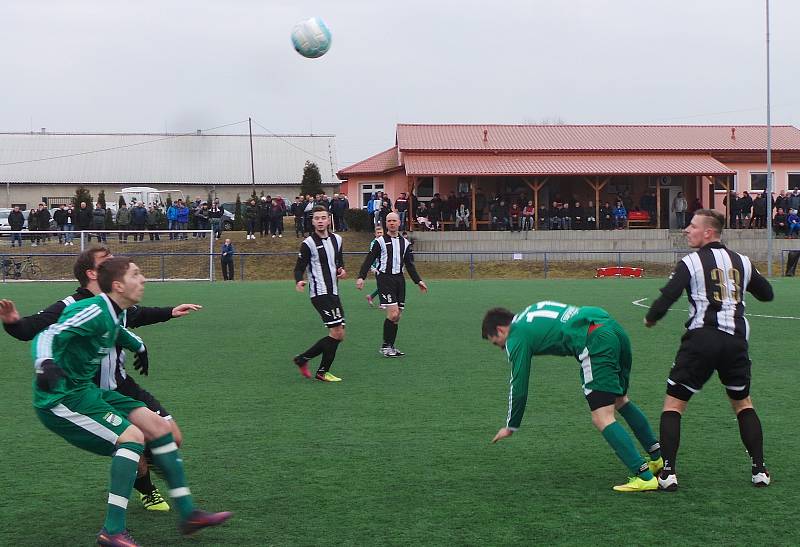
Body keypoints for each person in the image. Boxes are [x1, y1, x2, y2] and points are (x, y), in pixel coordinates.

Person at [24, 256, 231, 545]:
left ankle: (189, 514)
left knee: (159, 428)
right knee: (131, 438)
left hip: (87, 391)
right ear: (118, 285)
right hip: (60, 397)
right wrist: (44, 363)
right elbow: (48, 333)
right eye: (136, 274)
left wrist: (138, 344)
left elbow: (115, 330)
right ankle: (112, 531)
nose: (143, 279)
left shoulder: (115, 310)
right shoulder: (92, 309)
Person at [1, 245, 203, 512]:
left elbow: (134, 319)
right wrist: (14, 323)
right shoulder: (72, 306)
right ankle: (147, 489)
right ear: (93, 273)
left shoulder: (117, 303)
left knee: (170, 436)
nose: (114, 263)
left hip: (120, 384)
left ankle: (161, 479)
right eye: (106, 262)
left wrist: (163, 319)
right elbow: (39, 330)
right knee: (132, 445)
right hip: (86, 391)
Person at [644, 209, 774, 491]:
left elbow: (669, 295)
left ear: (708, 233)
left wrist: (651, 317)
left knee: (674, 404)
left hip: (702, 340)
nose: (686, 231)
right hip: (736, 341)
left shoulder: (691, 262)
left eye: (692, 226)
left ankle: (668, 473)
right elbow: (767, 294)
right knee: (743, 403)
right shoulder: (743, 261)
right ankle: (759, 469)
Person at [482, 302, 663, 492]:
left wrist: (511, 426)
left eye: (497, 343)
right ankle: (657, 458)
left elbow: (519, 385)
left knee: (602, 417)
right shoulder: (529, 310)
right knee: (620, 399)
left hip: (594, 341)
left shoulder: (516, 337)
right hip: (612, 327)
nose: (502, 348)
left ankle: (644, 476)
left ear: (500, 330)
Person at [356, 212, 428, 357]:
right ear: (386, 223)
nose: (392, 223)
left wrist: (418, 281)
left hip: (399, 280)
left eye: (394, 220)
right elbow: (369, 259)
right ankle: (385, 346)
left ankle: (391, 346)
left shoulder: (405, 243)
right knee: (393, 313)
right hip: (385, 279)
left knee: (397, 316)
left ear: (399, 223)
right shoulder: (380, 242)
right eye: (389, 221)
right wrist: (361, 277)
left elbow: (409, 264)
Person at [292, 206, 346, 382]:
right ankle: (322, 372)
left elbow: (339, 261)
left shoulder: (337, 239)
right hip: (319, 292)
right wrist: (298, 280)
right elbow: (299, 267)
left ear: (329, 219)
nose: (321, 221)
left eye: (323, 217)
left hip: (334, 291)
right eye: (317, 218)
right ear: (313, 221)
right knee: (336, 332)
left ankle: (303, 359)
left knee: (339, 333)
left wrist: (341, 270)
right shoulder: (308, 243)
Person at [365, 226, 384, 306]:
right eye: (378, 233)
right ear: (375, 234)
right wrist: (373, 267)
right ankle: (382, 303)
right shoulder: (374, 243)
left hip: (383, 266)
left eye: (381, 233)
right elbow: (372, 256)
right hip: (376, 267)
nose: (379, 234)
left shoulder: (384, 241)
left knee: (383, 284)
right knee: (382, 284)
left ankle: (371, 296)